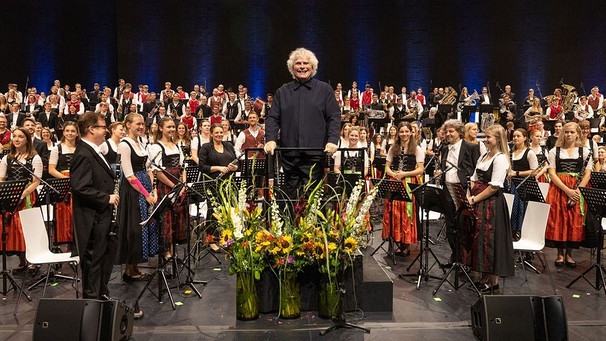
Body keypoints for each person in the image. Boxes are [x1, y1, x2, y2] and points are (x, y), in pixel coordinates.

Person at [264, 47, 341, 200]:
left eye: (306, 63)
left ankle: (312, 225)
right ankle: (290, 224)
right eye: (298, 63)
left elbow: (334, 117)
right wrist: (271, 139)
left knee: (313, 199)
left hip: (314, 156)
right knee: (289, 199)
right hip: (289, 155)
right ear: (292, 68)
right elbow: (272, 118)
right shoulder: (282, 92)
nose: (302, 66)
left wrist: (332, 141)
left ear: (312, 67)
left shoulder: (324, 90)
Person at [466, 124, 514, 293]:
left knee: (491, 241)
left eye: (489, 137)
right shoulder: (484, 155)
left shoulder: (500, 158)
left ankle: (492, 281)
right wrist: (469, 194)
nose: (485, 140)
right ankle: (483, 277)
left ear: (498, 139)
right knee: (480, 239)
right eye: (485, 136)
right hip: (479, 202)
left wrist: (474, 199)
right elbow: (473, 178)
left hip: (492, 204)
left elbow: (494, 186)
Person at [116, 113, 158, 282]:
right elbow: (129, 176)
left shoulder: (140, 142)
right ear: (128, 125)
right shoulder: (124, 145)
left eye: (142, 124)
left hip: (145, 188)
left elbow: (148, 167)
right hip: (133, 192)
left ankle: (134, 267)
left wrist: (153, 188)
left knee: (141, 228)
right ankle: (129, 269)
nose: (141, 127)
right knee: (133, 228)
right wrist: (146, 194)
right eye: (137, 124)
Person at [545, 122, 592, 268]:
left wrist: (577, 191)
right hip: (559, 188)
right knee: (558, 219)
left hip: (578, 189)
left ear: (577, 133)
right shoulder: (554, 151)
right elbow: (552, 173)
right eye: (566, 132)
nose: (569, 135)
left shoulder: (584, 151)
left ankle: (569, 254)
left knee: (574, 220)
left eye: (572, 132)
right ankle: (560, 254)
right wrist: (567, 190)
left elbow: (587, 174)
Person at [436, 119, 480, 267]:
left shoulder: (470, 147)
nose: (448, 134)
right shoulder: (444, 148)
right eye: (446, 131)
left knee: (464, 227)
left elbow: (476, 169)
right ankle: (455, 256)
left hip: (463, 190)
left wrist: (471, 190)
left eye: (451, 131)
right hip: (447, 190)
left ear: (459, 132)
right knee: (450, 226)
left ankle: (465, 259)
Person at [0, 127, 43, 271]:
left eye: (20, 137)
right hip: (11, 196)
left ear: (27, 140)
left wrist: (22, 194)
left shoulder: (35, 158)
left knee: (28, 227)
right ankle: (22, 260)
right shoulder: (7, 158)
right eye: (15, 136)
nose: (17, 139)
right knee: (14, 229)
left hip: (28, 196)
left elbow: (36, 181)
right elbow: (1, 178)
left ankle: (34, 260)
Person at [381, 122, 424, 254]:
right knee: (393, 211)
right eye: (402, 132)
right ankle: (395, 238)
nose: (404, 134)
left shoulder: (417, 149)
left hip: (409, 181)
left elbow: (420, 169)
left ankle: (405, 242)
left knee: (406, 213)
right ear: (398, 133)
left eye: (406, 131)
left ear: (411, 132)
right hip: (395, 181)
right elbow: (387, 166)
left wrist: (404, 174)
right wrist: (392, 173)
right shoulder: (393, 148)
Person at [148, 117, 186, 260]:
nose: (171, 129)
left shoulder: (177, 146)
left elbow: (183, 168)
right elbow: (158, 172)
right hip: (166, 186)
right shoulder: (156, 147)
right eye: (168, 127)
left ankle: (173, 247)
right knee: (166, 218)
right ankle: (166, 250)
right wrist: (174, 186)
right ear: (161, 128)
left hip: (178, 186)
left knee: (177, 217)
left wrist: (182, 184)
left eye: (173, 127)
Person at [48, 121, 80, 248]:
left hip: (80, 182)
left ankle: (78, 243)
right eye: (67, 131)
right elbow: (51, 169)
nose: (70, 133)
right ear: (63, 132)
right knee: (65, 215)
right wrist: (68, 180)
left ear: (77, 133)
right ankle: (67, 245)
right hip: (64, 182)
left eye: (73, 131)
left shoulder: (81, 148)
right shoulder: (57, 148)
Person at [508, 128, 538, 241]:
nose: (515, 138)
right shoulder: (510, 152)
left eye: (518, 136)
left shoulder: (529, 153)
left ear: (525, 138)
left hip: (524, 185)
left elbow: (534, 171)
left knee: (520, 209)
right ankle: (510, 233)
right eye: (514, 136)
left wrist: (516, 173)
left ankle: (518, 233)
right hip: (511, 185)